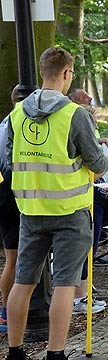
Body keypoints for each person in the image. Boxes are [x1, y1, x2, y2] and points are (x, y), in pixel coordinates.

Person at [0, 47, 108, 360]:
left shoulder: (16, 114)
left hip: (30, 210)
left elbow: (9, 162)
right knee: (64, 284)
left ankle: (14, 358)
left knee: (22, 280)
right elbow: (98, 165)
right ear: (66, 73)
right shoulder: (75, 114)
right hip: (69, 211)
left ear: (43, 71)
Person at [68, 88, 108, 315]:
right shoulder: (77, 124)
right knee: (86, 248)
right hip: (85, 199)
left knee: (87, 248)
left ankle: (83, 294)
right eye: (92, 119)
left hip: (83, 198)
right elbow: (95, 168)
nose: (95, 124)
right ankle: (80, 297)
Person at [0, 87, 20, 333]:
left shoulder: (3, 125)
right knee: (15, 259)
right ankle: (8, 313)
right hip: (13, 197)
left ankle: (7, 311)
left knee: (12, 258)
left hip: (4, 196)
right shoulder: (18, 125)